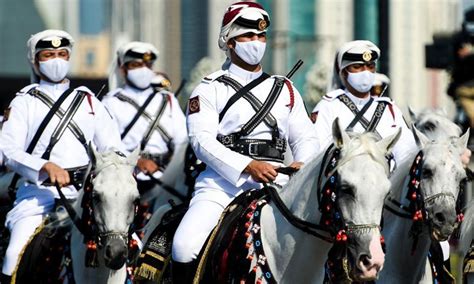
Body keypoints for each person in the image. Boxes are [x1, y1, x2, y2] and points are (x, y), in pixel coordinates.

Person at [171, 2, 318, 282]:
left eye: (261, 36)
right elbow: (201, 141)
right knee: (184, 246)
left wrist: (302, 163)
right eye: (248, 36)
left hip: (279, 183)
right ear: (229, 41)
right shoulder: (210, 87)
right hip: (222, 186)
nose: (256, 43)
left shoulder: (285, 88)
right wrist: (247, 165)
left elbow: (306, 137)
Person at [0, 29, 122, 282]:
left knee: (132, 249)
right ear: (35, 61)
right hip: (39, 197)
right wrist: (44, 167)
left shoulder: (88, 99)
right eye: (48, 54)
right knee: (14, 254)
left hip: (86, 197)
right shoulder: (24, 101)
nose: (56, 59)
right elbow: (8, 151)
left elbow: (112, 149)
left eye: (62, 54)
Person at [311, 40, 416, 165]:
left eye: (370, 67)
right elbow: (317, 154)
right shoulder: (328, 106)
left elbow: (407, 152)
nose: (365, 72)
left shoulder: (389, 109)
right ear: (344, 72)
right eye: (357, 67)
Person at [102, 42, 188, 196]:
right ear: (123, 69)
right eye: (136, 65)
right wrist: (136, 161)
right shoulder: (111, 102)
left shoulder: (167, 99)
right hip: (126, 177)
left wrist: (173, 169)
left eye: (148, 65)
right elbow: (107, 145)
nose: (144, 69)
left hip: (166, 176)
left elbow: (182, 140)